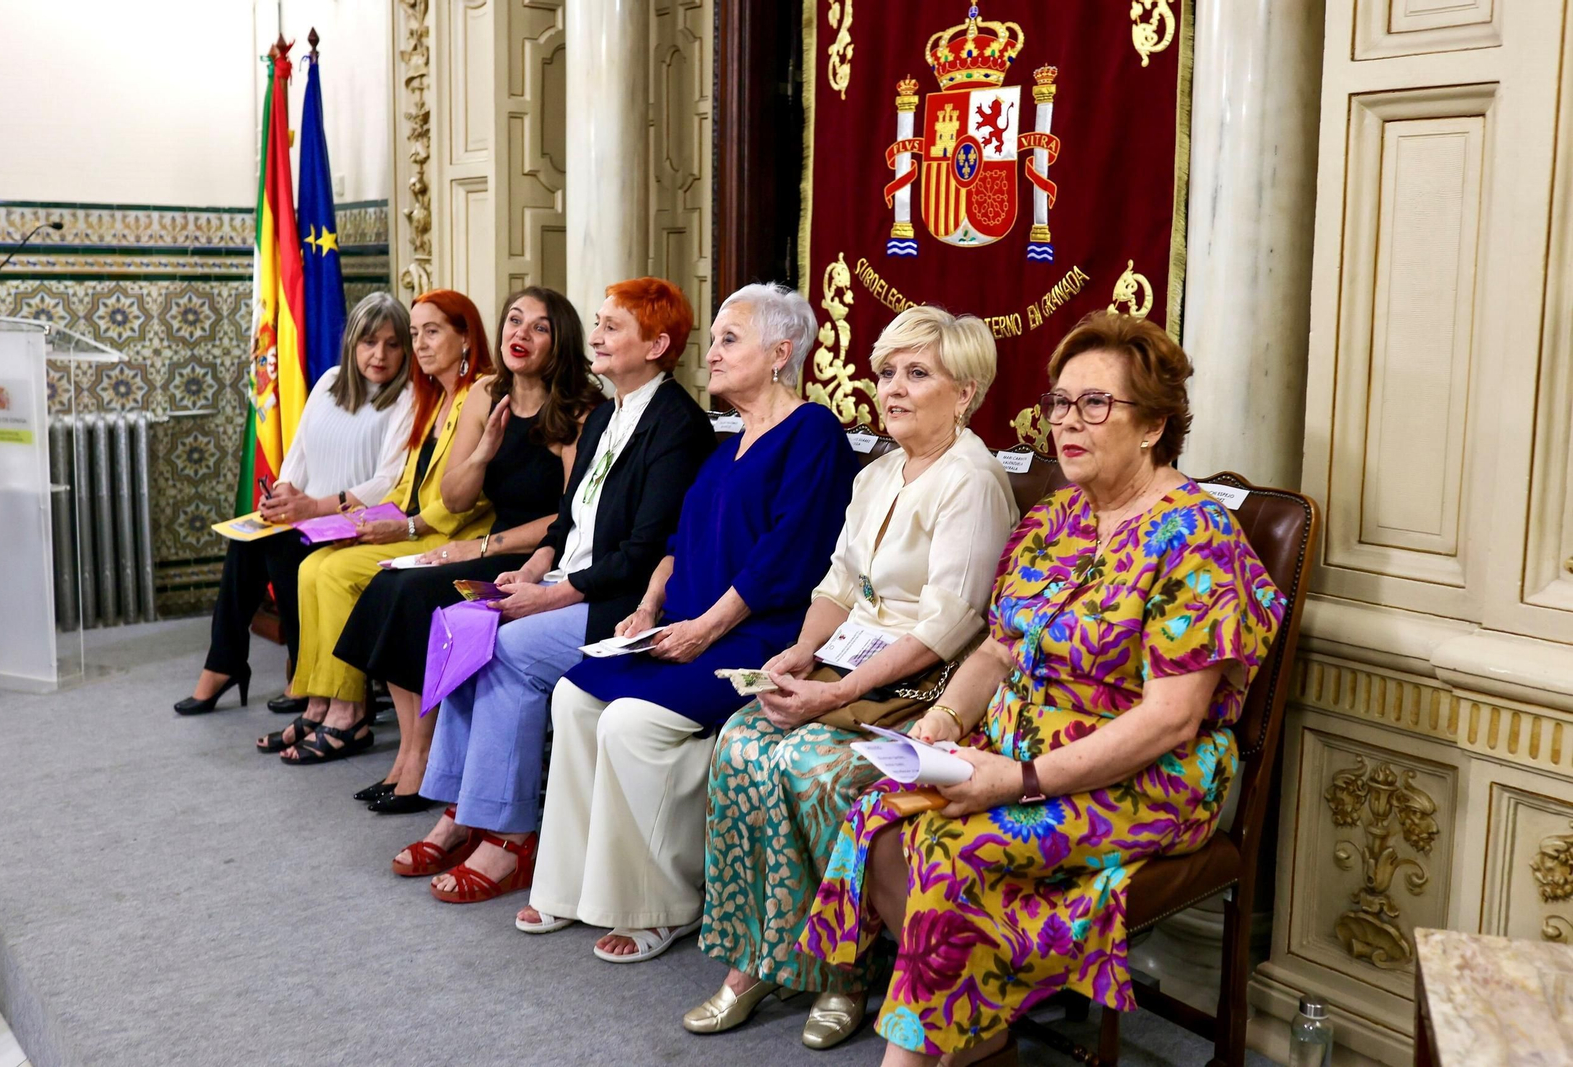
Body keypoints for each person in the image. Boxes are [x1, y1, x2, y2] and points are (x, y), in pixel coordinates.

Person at [796, 310, 1288, 1067]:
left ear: (1153, 425)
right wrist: (945, 722)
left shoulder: (1195, 536)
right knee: (878, 821)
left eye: (1096, 404)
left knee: (954, 856)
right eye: (1060, 402)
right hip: (1014, 743)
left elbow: (1170, 719)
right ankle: (983, 1040)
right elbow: (997, 648)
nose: (1068, 421)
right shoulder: (1057, 515)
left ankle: (925, 1055)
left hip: (1144, 774)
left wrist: (1018, 780)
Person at [686, 306, 1018, 1048]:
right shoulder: (875, 476)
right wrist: (803, 654)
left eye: (916, 373)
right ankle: (760, 957)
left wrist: (837, 692)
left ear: (965, 391)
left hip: (922, 687)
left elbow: (951, 624)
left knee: (815, 767)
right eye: (887, 372)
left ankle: (846, 970)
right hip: (848, 667)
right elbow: (837, 584)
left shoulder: (973, 478)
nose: (892, 388)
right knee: (741, 741)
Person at [516, 282, 858, 963]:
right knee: (575, 693)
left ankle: (660, 902)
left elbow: (783, 557)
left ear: (780, 352)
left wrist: (704, 627)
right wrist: (646, 609)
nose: (716, 350)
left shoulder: (812, 431)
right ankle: (573, 881)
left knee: (629, 720)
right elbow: (675, 544)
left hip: (757, 634)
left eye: (733, 338)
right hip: (681, 623)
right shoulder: (727, 437)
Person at [391, 277, 717, 901]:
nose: (595, 336)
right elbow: (568, 520)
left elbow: (644, 551)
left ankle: (510, 838)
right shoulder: (605, 416)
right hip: (569, 582)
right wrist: (534, 569)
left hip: (617, 602)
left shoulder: (677, 425)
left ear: (657, 345)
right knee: (462, 624)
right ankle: (465, 808)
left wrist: (553, 596)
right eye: (596, 322)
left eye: (612, 327)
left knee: (508, 649)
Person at [332, 287, 603, 812]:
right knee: (390, 583)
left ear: (560, 340)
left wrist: (476, 547)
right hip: (489, 542)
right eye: (514, 321)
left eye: (539, 327)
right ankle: (411, 751)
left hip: (538, 553)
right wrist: (483, 452)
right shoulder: (484, 393)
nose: (520, 335)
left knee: (415, 596)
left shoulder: (579, 408)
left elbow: (571, 516)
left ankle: (422, 758)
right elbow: (455, 498)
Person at [257, 289, 493, 764]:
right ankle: (320, 703)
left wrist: (403, 528)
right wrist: (369, 518)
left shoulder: (479, 392)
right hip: (412, 523)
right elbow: (404, 482)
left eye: (431, 333)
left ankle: (349, 714)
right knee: (313, 566)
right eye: (416, 334)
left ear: (465, 338)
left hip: (449, 536)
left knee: (335, 573)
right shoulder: (435, 395)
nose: (419, 345)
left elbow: (467, 498)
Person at [174, 293, 416, 716]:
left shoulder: (408, 396)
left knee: (282, 547)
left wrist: (314, 508)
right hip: (310, 515)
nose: (379, 354)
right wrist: (282, 496)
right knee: (250, 540)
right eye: (369, 341)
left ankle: (304, 674)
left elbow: (387, 483)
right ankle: (224, 663)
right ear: (352, 343)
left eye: (393, 344)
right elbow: (298, 453)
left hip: (356, 525)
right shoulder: (328, 382)